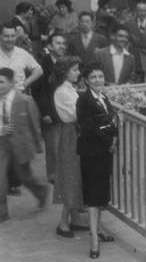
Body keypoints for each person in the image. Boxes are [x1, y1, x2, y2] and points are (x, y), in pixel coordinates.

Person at [76, 62, 118, 258]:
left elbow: (109, 122)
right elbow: (89, 128)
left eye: (100, 76)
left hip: (104, 152)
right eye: (93, 77)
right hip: (92, 153)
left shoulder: (103, 98)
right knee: (93, 197)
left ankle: (99, 229)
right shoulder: (84, 101)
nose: (98, 80)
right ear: (86, 80)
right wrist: (109, 137)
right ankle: (93, 240)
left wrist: (113, 137)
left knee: (100, 193)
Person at [0, 67, 49, 224]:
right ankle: (2, 211)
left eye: (1, 82)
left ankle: (41, 191)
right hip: (2, 144)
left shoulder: (25, 100)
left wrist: (37, 146)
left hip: (20, 144)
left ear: (12, 83)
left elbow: (34, 125)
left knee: (25, 176)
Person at [52, 57, 87, 238]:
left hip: (75, 132)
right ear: (65, 72)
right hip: (70, 134)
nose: (78, 73)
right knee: (71, 173)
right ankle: (63, 222)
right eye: (74, 70)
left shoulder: (70, 89)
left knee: (77, 173)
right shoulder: (62, 91)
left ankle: (73, 219)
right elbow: (76, 113)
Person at [32, 31, 68, 183]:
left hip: (65, 110)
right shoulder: (43, 64)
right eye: (58, 43)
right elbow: (38, 91)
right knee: (52, 146)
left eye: (63, 43)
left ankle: (65, 172)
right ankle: (53, 175)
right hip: (50, 111)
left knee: (65, 144)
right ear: (50, 46)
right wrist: (45, 112)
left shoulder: (66, 62)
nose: (62, 46)